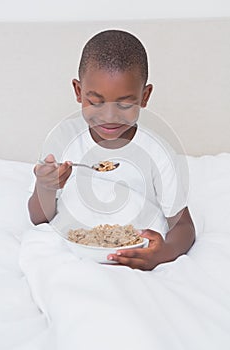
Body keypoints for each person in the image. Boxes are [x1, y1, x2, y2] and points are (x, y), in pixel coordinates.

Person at [28, 29, 195, 270]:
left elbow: (183, 226)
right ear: (78, 92)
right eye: (95, 101)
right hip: (71, 255)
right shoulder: (64, 139)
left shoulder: (158, 153)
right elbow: (38, 218)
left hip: (133, 258)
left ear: (144, 96)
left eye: (125, 104)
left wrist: (164, 252)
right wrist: (45, 185)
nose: (109, 116)